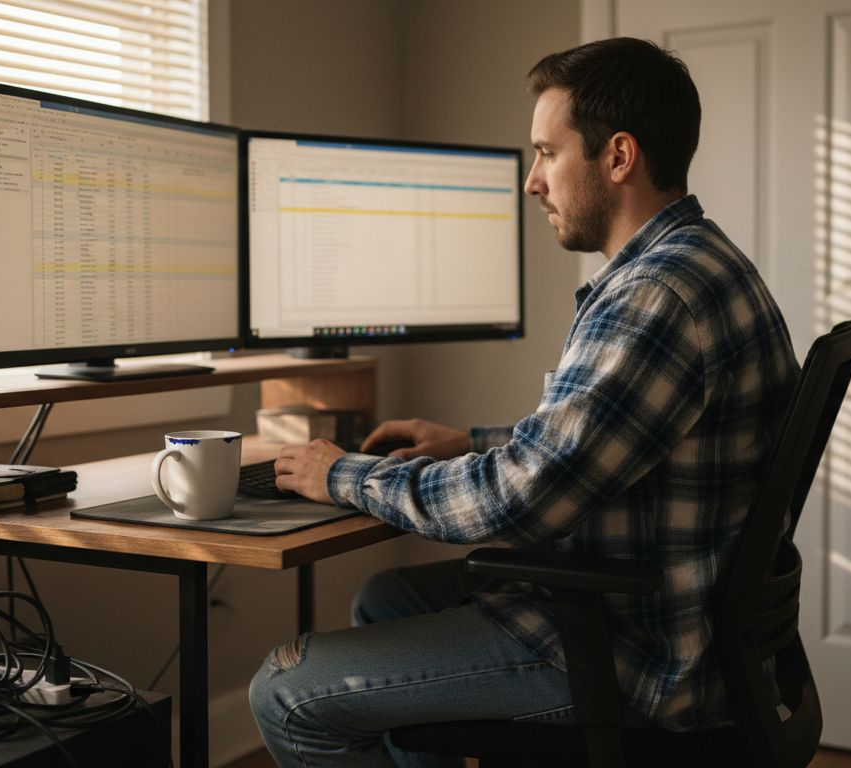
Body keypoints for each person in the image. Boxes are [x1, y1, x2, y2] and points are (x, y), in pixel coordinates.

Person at [249, 37, 799, 767]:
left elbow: (520, 503)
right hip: (666, 614)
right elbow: (620, 439)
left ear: (619, 157)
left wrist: (341, 473)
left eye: (546, 152)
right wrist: (472, 441)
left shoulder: (653, 298)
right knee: (387, 597)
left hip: (637, 655)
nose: (532, 182)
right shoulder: (701, 260)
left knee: (284, 693)